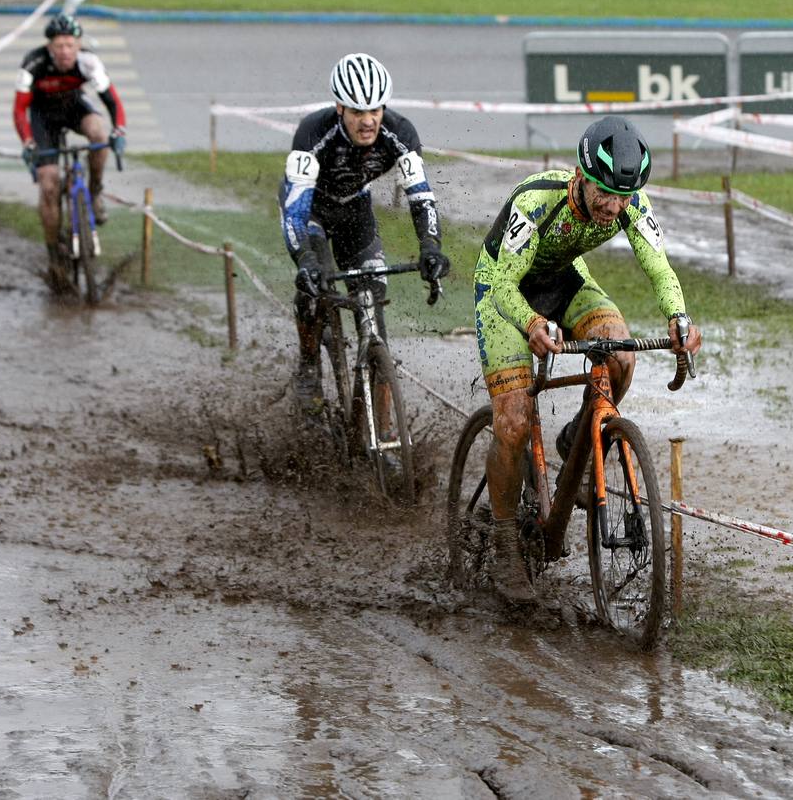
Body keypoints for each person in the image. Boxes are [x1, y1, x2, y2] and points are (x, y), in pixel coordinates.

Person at [472, 116, 702, 605]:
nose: (613, 206)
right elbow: (505, 287)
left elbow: (660, 268)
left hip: (565, 281)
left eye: (623, 196)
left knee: (619, 354)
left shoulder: (630, 204)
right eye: (604, 193)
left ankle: (579, 436)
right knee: (513, 421)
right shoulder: (535, 201)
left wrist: (679, 319)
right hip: (506, 291)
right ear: (580, 174)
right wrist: (532, 325)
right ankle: (505, 544)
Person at [280, 52, 450, 412]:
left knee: (374, 317)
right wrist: (306, 260)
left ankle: (375, 427)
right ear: (340, 108)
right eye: (358, 112)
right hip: (311, 210)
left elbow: (421, 196)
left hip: (355, 209)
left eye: (375, 110)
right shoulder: (313, 133)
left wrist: (430, 246)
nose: (369, 120)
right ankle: (309, 366)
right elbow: (294, 211)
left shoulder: (400, 132)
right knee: (314, 288)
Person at [13, 14, 127, 287]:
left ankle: (95, 191)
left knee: (99, 135)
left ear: (78, 46)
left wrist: (119, 131)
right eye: (59, 46)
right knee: (49, 184)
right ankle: (54, 253)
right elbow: (19, 109)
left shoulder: (89, 62)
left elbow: (113, 102)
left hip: (74, 107)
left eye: (70, 45)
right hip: (43, 118)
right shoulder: (33, 63)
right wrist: (28, 142)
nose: (65, 51)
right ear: (49, 47)